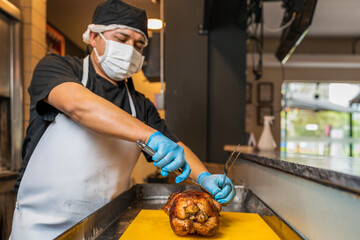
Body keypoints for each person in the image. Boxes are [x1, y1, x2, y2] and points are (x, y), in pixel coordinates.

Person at [9, 0, 236, 238]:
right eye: (121, 38)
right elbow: (79, 105)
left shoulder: (140, 105)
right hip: (41, 227)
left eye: (139, 45)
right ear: (94, 37)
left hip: (106, 227)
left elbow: (175, 147)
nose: (131, 49)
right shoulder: (57, 68)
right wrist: (150, 135)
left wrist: (205, 177)